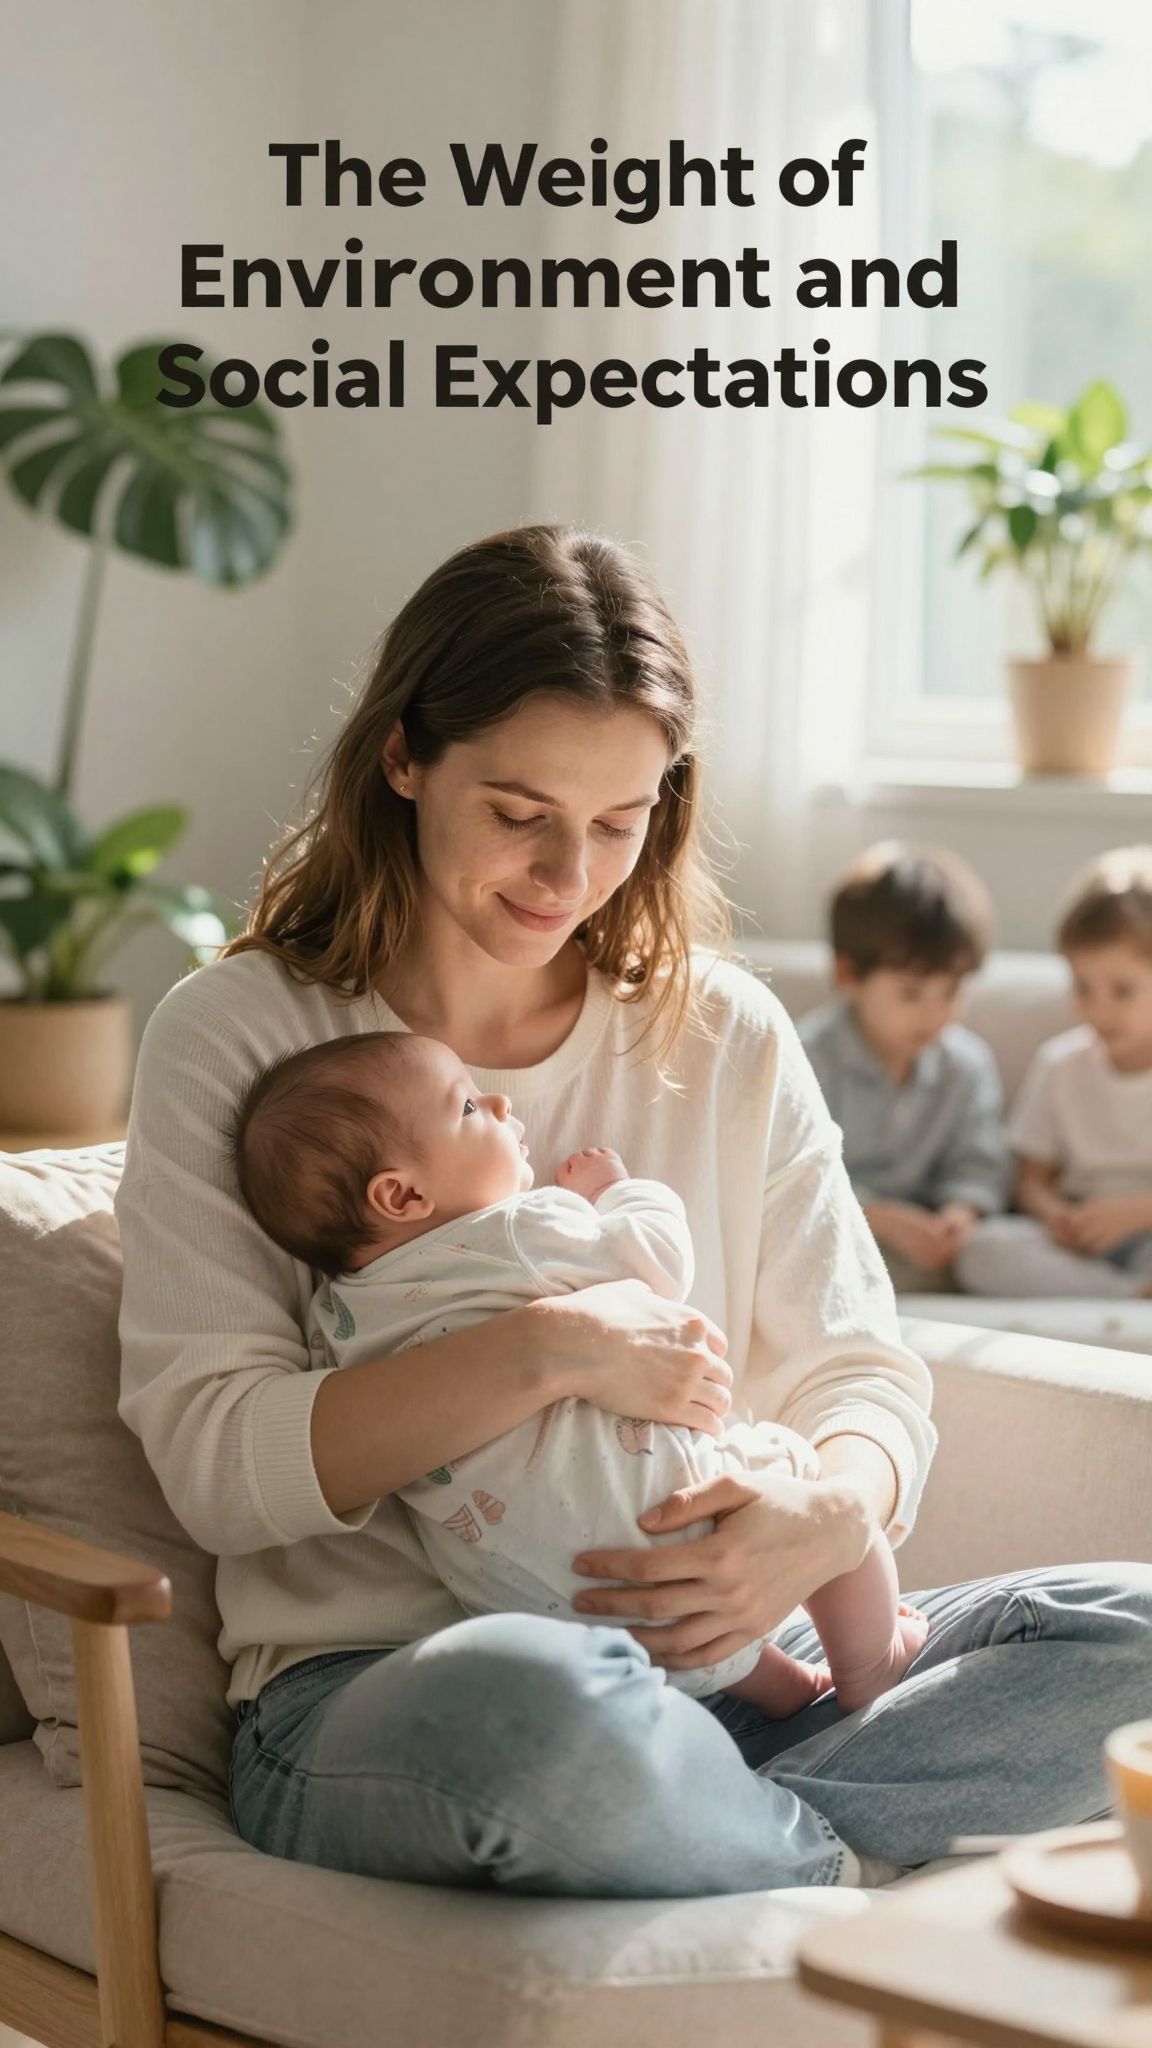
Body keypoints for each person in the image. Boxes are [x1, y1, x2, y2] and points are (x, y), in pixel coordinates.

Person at [115, 523, 1152, 1899]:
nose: (568, 876)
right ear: (405, 757)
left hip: (747, 1673)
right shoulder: (242, 1035)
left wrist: (828, 1514)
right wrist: (553, 1347)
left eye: (621, 822)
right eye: (520, 813)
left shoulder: (721, 1031)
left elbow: (863, 1371)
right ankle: (797, 1846)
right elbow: (216, 1462)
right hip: (412, 1695)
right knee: (542, 1716)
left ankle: (732, 1840)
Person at [228, 1028, 928, 1717]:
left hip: (550, 1607)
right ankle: (871, 1663)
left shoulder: (339, 1323)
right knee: (808, 1480)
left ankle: (788, 1691)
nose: (499, 1104)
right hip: (684, 1520)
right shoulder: (516, 1233)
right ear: (403, 1197)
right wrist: (618, 1192)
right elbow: (652, 1262)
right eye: (468, 1107)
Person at [800, 843, 1009, 1294]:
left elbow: (979, 1161)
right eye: (911, 994)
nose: (935, 1015)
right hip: (837, 1233)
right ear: (849, 976)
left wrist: (962, 1210)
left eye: (951, 992)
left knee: (996, 1249)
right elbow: (796, 1174)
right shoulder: (806, 1058)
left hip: (933, 1246)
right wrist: (877, 1217)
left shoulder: (967, 1065)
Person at [959, 846, 1152, 1299]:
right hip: (1077, 1243)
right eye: (1083, 986)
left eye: (1122, 990)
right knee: (984, 1250)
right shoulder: (1060, 1064)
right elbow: (1030, 1180)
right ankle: (1126, 1294)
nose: (1097, 1007)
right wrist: (1057, 1217)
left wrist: (1134, 1215)